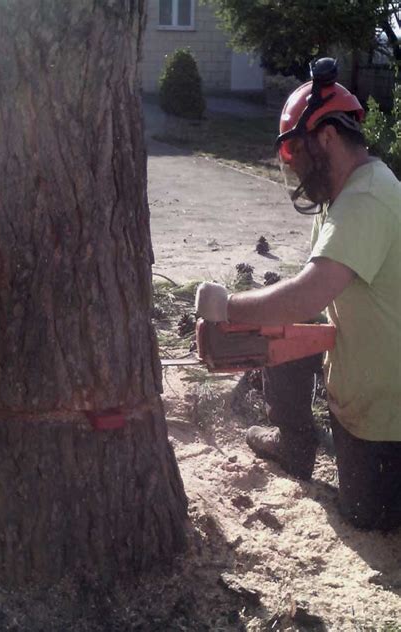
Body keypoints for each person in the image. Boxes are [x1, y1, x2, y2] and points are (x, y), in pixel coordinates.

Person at [195, 58, 401, 532]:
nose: (300, 173)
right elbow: (306, 305)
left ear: (326, 138)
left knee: (368, 517)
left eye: (300, 157)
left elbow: (307, 295)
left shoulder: (368, 199)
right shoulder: (339, 199)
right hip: (355, 388)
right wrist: (246, 328)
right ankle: (295, 441)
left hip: (387, 413)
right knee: (280, 321)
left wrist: (226, 306)